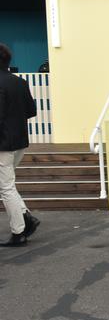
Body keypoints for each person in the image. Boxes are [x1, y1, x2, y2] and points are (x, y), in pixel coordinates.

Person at [0, 43, 40, 247]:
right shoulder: (20, 82)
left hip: (3, 145)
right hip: (19, 143)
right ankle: (26, 219)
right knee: (8, 185)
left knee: (5, 188)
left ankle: (19, 232)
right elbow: (31, 111)